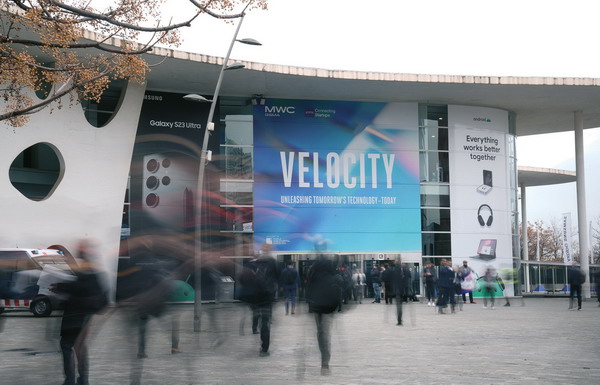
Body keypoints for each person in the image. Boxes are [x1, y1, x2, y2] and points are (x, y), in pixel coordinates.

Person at [52, 240, 108, 385]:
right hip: (84, 316)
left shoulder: (86, 270)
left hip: (75, 315)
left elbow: (80, 286)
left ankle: (71, 380)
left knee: (67, 345)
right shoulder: (93, 269)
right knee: (79, 347)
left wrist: (61, 287)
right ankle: (82, 379)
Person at [305, 255, 343, 375]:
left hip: (317, 306)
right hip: (328, 307)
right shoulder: (332, 272)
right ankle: (325, 362)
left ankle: (324, 361)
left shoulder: (313, 272)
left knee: (321, 332)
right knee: (324, 332)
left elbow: (308, 289)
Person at [252, 250, 278, 356]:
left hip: (258, 298)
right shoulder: (272, 266)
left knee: (259, 318)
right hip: (268, 298)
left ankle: (255, 328)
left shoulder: (256, 266)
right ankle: (264, 348)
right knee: (265, 322)